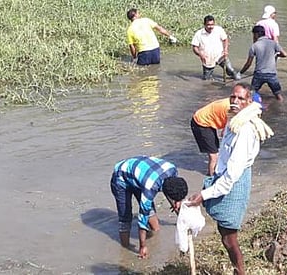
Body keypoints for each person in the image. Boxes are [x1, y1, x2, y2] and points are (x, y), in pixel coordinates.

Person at [184, 83, 273, 275]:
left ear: (249, 102)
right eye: (233, 97)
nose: (235, 101)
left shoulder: (245, 131)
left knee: (229, 239)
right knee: (225, 235)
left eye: (241, 98)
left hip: (233, 184)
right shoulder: (234, 123)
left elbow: (232, 175)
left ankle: (240, 271)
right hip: (225, 179)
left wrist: (204, 195)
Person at [110, 156, 188, 259]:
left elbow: (170, 189)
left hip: (140, 174)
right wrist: (143, 246)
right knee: (125, 215)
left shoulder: (173, 171)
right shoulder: (150, 187)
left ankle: (156, 235)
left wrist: (177, 206)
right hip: (121, 177)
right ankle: (125, 249)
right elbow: (142, 219)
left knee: (151, 212)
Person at [240, 25, 287, 101]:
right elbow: (284, 54)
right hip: (271, 74)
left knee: (251, 94)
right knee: (278, 95)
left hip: (259, 74)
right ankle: (282, 108)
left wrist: (240, 73)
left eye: (253, 35)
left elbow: (248, 64)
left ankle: (251, 108)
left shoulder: (254, 46)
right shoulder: (273, 43)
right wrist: (277, 55)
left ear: (256, 34)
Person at [191, 15, 240, 81]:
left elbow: (225, 40)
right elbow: (195, 47)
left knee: (236, 76)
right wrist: (200, 54)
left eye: (212, 24)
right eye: (208, 25)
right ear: (204, 24)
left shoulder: (219, 30)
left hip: (221, 56)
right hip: (207, 59)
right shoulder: (199, 34)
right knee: (206, 80)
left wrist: (225, 50)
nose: (210, 27)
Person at [191, 98, 231, 176]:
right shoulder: (231, 110)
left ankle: (215, 173)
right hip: (200, 123)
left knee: (217, 151)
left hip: (208, 120)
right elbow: (224, 134)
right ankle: (211, 178)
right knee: (214, 156)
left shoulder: (236, 101)